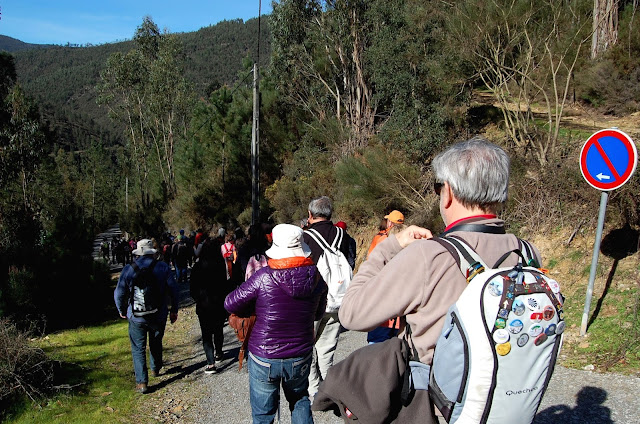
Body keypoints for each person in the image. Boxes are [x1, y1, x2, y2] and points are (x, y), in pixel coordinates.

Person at [338, 137, 542, 422]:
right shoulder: (527, 253)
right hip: (502, 406)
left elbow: (351, 314)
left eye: (438, 188)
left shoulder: (429, 256)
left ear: (448, 193)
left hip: (438, 410)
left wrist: (390, 246)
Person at [224, 224, 327, 424]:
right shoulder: (316, 276)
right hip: (300, 353)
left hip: (264, 354)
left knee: (263, 415)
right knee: (300, 400)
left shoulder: (263, 277)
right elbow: (318, 314)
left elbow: (230, 303)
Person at [114, 239, 179, 394]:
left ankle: (142, 382)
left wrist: (121, 309)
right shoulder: (162, 267)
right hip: (158, 314)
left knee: (138, 348)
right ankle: (155, 368)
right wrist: (174, 309)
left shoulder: (129, 269)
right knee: (156, 342)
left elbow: (119, 292)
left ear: (138, 252)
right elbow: (174, 289)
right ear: (152, 252)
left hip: (136, 316)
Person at [302, 196, 351, 398]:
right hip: (338, 299)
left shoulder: (305, 238)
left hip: (313, 303)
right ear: (330, 214)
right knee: (327, 348)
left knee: (307, 346)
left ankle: (314, 388)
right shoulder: (343, 235)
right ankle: (329, 388)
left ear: (310, 214)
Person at [190, 236, 229, 374]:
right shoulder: (220, 265)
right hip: (218, 303)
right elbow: (225, 285)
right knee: (218, 330)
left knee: (206, 334)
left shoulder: (197, 267)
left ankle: (210, 363)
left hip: (203, 305)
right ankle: (219, 352)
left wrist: (198, 299)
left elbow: (192, 289)